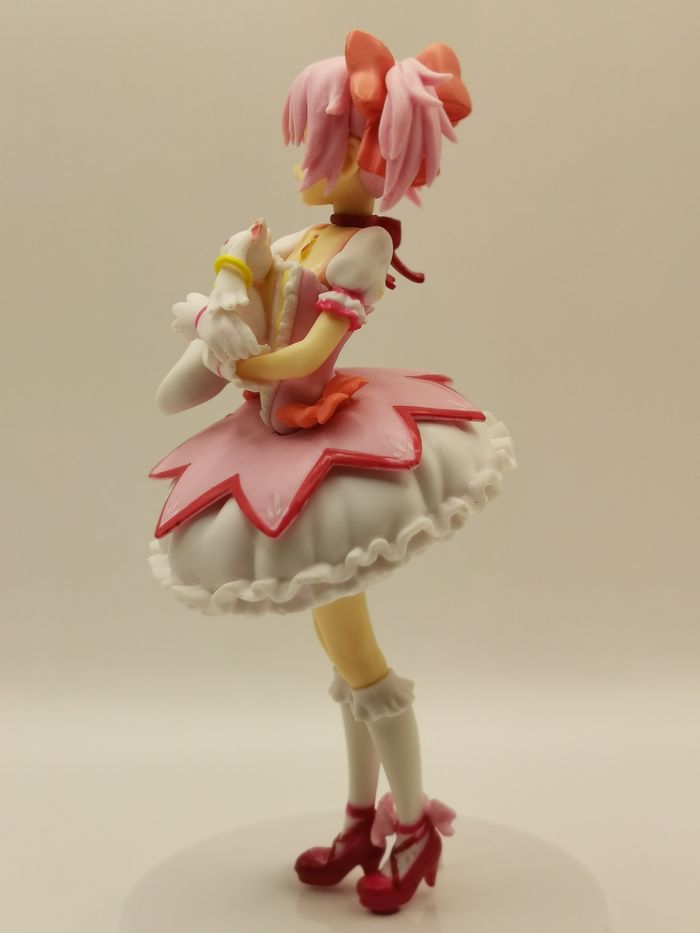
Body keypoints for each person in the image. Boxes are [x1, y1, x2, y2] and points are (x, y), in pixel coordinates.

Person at [149, 30, 515, 915]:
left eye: (330, 142)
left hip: (321, 435)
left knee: (363, 664)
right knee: (340, 653)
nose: (307, 160)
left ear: (370, 156)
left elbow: (312, 351)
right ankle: (359, 820)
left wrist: (241, 361)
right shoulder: (306, 235)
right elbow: (254, 277)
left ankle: (413, 825)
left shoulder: (365, 250)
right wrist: (228, 288)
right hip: (276, 438)